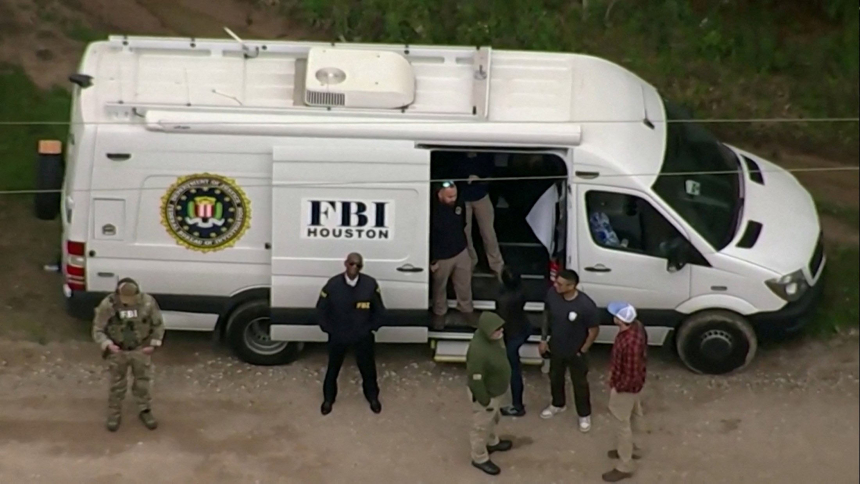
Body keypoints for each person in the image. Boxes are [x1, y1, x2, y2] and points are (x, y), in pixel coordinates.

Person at [316, 252, 386, 415]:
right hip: (338, 336)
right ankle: (328, 400)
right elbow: (321, 310)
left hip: (362, 336)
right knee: (333, 369)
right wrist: (329, 329)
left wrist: (371, 328)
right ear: (345, 264)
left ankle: (372, 398)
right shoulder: (333, 285)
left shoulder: (370, 284)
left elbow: (379, 310)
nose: (354, 267)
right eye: (352, 264)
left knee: (368, 369)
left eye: (358, 265)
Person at [91, 278, 165, 432]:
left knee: (142, 382)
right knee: (117, 384)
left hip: (140, 349)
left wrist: (153, 344)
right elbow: (98, 329)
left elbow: (158, 325)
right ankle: (114, 412)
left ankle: (144, 409)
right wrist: (107, 344)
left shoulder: (148, 303)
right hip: (118, 350)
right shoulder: (108, 305)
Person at [538, 269, 600, 432]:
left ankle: (584, 414)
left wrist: (583, 349)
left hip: (576, 352)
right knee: (555, 377)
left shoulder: (586, 305)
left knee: (579, 383)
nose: (555, 285)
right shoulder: (552, 294)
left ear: (571, 286)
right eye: (556, 282)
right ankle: (558, 404)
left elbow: (593, 330)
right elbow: (547, 314)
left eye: (560, 284)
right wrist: (544, 339)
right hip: (556, 347)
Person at [602, 302, 648, 483]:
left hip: (626, 387)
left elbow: (630, 371)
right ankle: (633, 449)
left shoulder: (628, 342)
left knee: (622, 423)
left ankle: (625, 464)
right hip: (635, 386)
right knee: (635, 415)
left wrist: (617, 386)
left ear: (620, 319)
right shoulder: (637, 329)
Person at [466, 312, 514, 476]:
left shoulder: (495, 338)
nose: (501, 332)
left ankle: (492, 442)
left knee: (493, 419)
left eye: (501, 328)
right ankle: (479, 457)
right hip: (487, 394)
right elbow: (475, 379)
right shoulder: (478, 351)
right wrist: (484, 400)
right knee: (480, 427)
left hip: (496, 391)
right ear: (487, 331)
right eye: (497, 330)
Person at [455, 152, 504, 277]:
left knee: (488, 232)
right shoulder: (458, 155)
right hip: (463, 198)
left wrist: (480, 178)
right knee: (465, 232)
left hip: (481, 196)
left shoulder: (485, 155)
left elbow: (492, 175)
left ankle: (497, 265)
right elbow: (452, 171)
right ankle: (471, 262)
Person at [430, 181, 474, 323]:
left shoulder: (459, 204)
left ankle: (466, 310)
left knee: (464, 284)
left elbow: (463, 224)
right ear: (439, 194)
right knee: (439, 287)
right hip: (441, 256)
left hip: (460, 250)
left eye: (454, 195)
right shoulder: (431, 209)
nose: (453, 199)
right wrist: (431, 259)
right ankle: (440, 313)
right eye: (449, 197)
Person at [494, 267, 531, 417]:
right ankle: (517, 404)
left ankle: (518, 406)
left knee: (514, 370)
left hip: (512, 334)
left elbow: (501, 320)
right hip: (523, 327)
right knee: (514, 366)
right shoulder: (522, 291)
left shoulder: (503, 299)